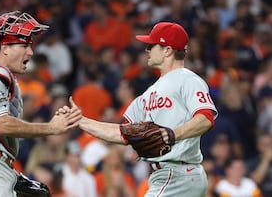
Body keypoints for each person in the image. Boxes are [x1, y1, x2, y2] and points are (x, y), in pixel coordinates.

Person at [66, 22, 218, 196]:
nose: (147, 50)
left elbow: (205, 118)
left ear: (167, 50)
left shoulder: (188, 80)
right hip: (165, 175)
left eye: (151, 45)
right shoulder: (148, 94)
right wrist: (81, 121)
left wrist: (173, 134)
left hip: (178, 174)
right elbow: (121, 133)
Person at [0, 10, 81, 197]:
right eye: (24, 45)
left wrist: (12, 177)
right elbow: (1, 125)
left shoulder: (5, 80)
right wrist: (51, 128)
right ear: (5, 47)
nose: (30, 52)